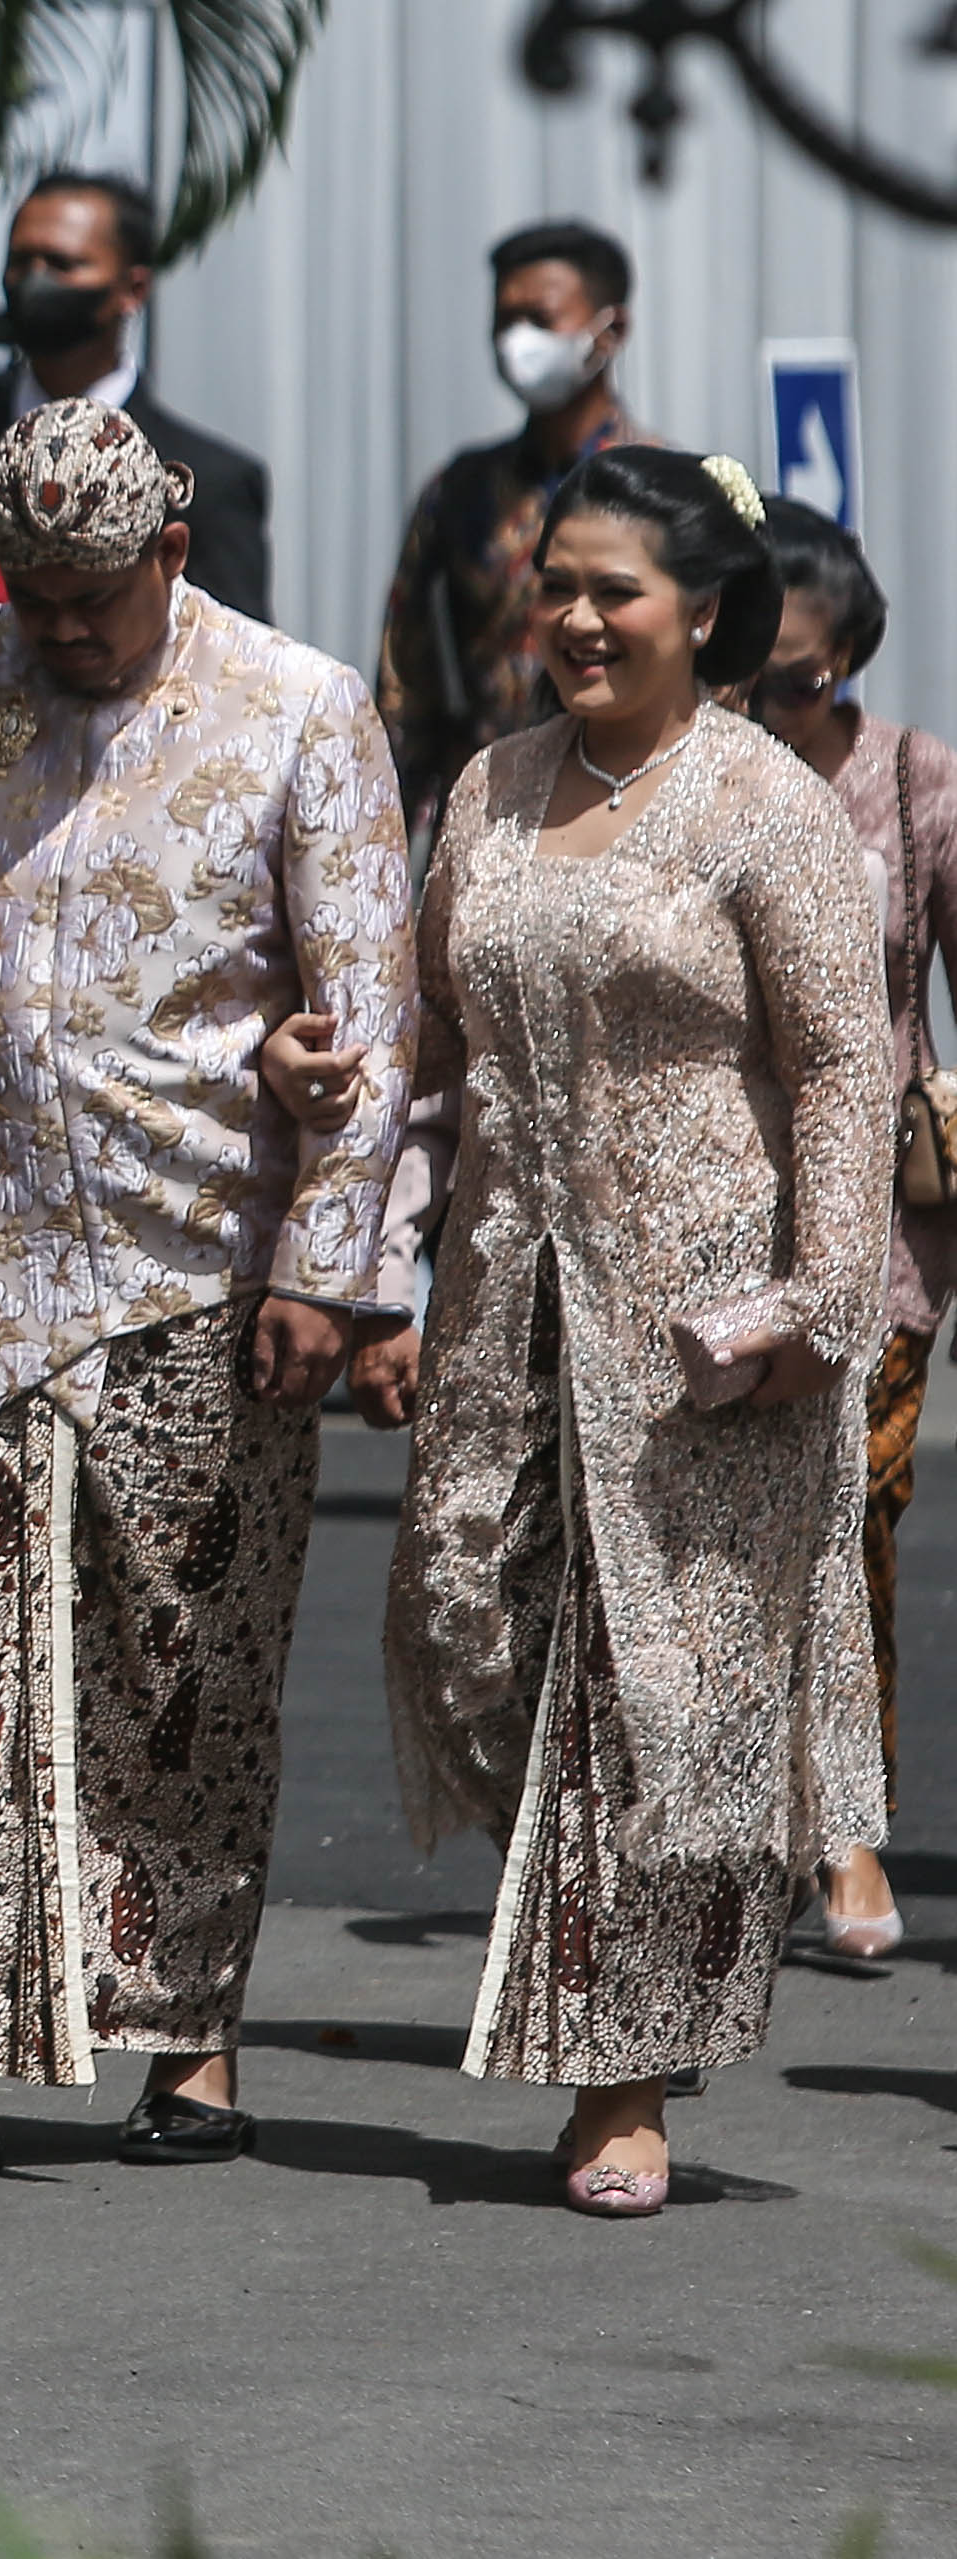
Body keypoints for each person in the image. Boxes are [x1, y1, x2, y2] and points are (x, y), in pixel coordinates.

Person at [0, 399, 413, 2177]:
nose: (66, 626)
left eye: (98, 591)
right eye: (38, 591)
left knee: (187, 1656)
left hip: (201, 1263)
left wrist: (329, 1266)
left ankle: (184, 2028)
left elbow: (365, 1012)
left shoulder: (299, 707)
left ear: (170, 549)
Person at [357, 450, 884, 2218]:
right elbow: (426, 1041)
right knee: (466, 1628)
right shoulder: (487, 787)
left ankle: (619, 2069)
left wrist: (822, 1296)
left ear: (705, 613)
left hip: (700, 1320)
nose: (575, 619)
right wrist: (369, 1264)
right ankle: (612, 1974)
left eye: (617, 592)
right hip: (502, 1285)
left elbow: (834, 1061)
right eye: (555, 585)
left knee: (646, 1688)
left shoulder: (762, 806)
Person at [742, 499, 946, 1962]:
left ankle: (845, 1824)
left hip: (871, 1227)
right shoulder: (691, 776)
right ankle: (732, 1822)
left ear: (849, 661)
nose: (770, 704)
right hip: (704, 1212)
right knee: (725, 1539)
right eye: (745, 676)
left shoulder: (912, 779)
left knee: (850, 1521)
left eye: (798, 679)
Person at [0, 171, 271, 649]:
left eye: (62, 264)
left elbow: (237, 675)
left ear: (133, 288)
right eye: (21, 262)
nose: (35, 281)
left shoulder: (208, 483)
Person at [376, 220, 653, 844]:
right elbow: (404, 678)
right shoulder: (460, 490)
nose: (515, 341)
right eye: (503, 321)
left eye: (539, 318)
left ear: (611, 330)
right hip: (490, 813)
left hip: (629, 812)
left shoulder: (660, 490)